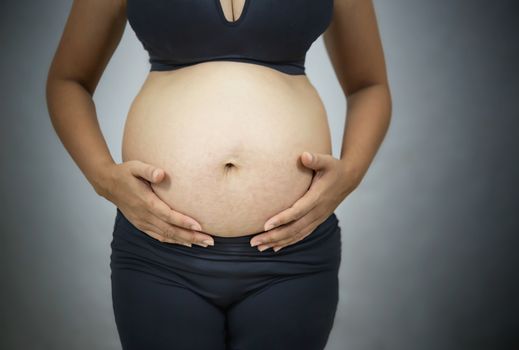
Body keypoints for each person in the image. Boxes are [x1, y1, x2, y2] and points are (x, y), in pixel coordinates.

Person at [45, 0, 391, 349]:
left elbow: (368, 86)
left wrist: (350, 174)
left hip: (293, 251)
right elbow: (68, 80)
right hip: (160, 253)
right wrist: (102, 177)